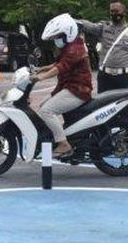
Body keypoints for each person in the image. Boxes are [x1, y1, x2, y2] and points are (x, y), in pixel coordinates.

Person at [31, 13, 93, 158]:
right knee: (42, 105)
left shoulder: (75, 49)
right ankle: (54, 138)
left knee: (46, 111)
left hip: (77, 90)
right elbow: (59, 63)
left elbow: (61, 67)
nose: (56, 40)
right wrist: (41, 69)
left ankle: (64, 144)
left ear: (68, 34)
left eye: (58, 36)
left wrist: (40, 78)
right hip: (69, 87)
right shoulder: (71, 46)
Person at [78, 1, 128, 93]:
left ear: (124, 12)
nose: (114, 14)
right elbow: (89, 26)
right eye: (111, 11)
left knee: (122, 101)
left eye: (116, 11)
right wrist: (73, 21)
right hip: (105, 75)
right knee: (103, 101)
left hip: (123, 76)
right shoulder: (103, 27)